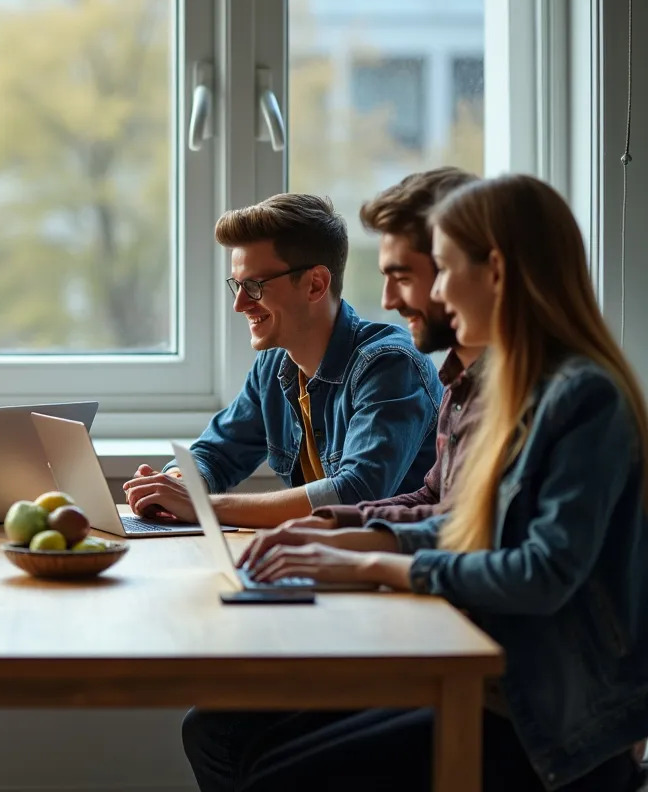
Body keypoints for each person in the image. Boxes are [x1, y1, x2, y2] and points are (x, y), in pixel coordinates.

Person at [187, 175, 648, 791]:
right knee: (219, 731)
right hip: (475, 668)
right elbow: (445, 510)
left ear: (497, 271)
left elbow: (538, 571)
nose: (416, 295)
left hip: (542, 718)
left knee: (276, 774)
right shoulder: (480, 384)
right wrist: (333, 535)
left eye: (437, 269)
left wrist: (375, 564)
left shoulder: (579, 398)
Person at [124, 193, 442, 529]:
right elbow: (215, 455)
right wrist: (175, 483)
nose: (240, 304)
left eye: (255, 286)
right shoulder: (274, 365)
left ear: (315, 284)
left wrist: (201, 507)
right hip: (325, 562)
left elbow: (355, 493)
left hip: (398, 571)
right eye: (238, 286)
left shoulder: (390, 365)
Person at [289, 167, 483, 531]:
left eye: (404, 277)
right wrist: (325, 526)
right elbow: (435, 503)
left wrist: (365, 556)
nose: (388, 300)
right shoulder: (463, 384)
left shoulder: (559, 395)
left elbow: (516, 559)